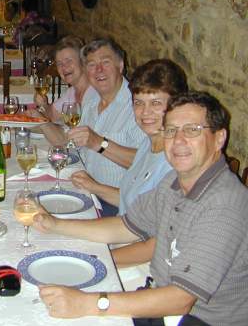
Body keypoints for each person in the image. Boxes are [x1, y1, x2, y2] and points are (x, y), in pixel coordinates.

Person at [33, 91, 248, 325]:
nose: (178, 140)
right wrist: (54, 223)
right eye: (171, 130)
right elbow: (124, 227)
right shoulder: (174, 182)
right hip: (159, 295)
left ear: (219, 138)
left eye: (192, 130)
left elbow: (180, 299)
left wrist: (86, 303)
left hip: (197, 319)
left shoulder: (224, 205)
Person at [71, 59, 188, 214]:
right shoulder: (148, 144)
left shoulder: (174, 161)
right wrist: (94, 186)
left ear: (176, 105)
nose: (145, 112)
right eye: (138, 103)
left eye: (156, 103)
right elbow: (131, 200)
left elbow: (142, 222)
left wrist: (56, 224)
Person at [67, 39, 146, 215]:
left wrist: (99, 143)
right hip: (87, 192)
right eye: (92, 65)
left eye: (105, 62)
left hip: (119, 207)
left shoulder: (138, 105)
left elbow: (146, 162)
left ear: (120, 65)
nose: (99, 70)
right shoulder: (91, 100)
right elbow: (78, 145)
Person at [33, 35, 92, 122]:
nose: (64, 67)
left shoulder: (95, 93)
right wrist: (44, 104)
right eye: (59, 63)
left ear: (82, 62)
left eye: (69, 61)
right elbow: (53, 115)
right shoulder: (71, 92)